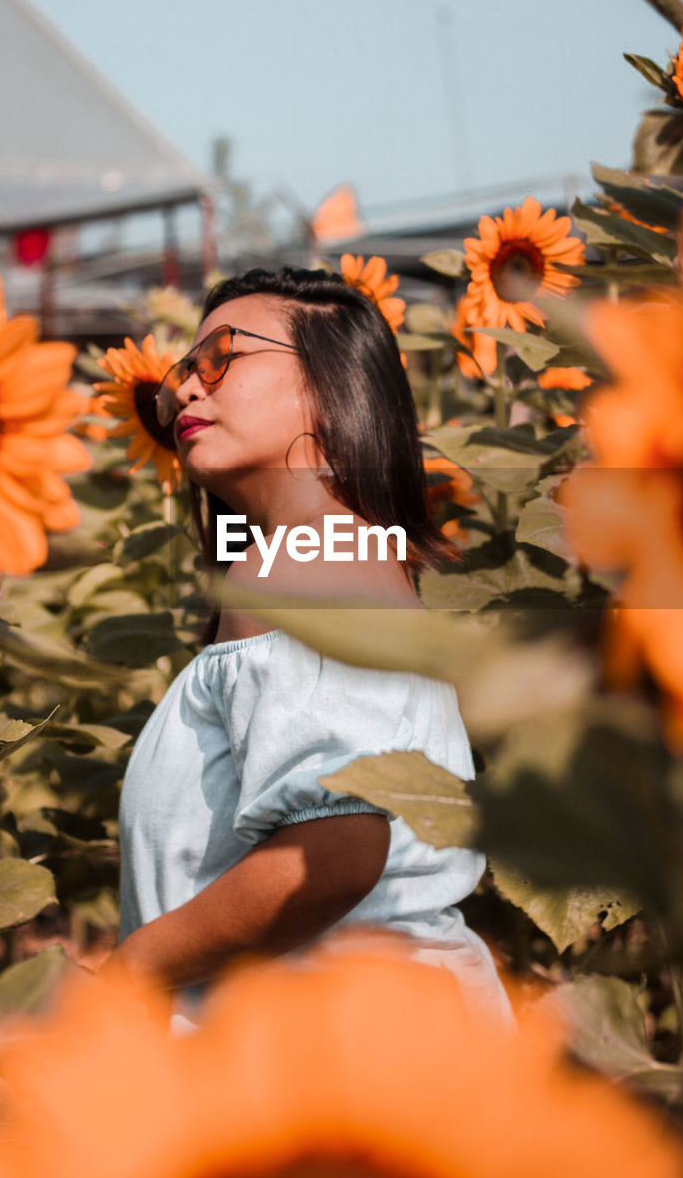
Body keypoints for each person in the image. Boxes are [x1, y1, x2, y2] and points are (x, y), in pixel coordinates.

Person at [110, 266, 509, 1022]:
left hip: (339, 1057)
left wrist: (125, 974)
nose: (187, 391)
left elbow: (331, 852)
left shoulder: (304, 565)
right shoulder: (338, 560)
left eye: (221, 356)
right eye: (181, 374)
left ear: (331, 384)